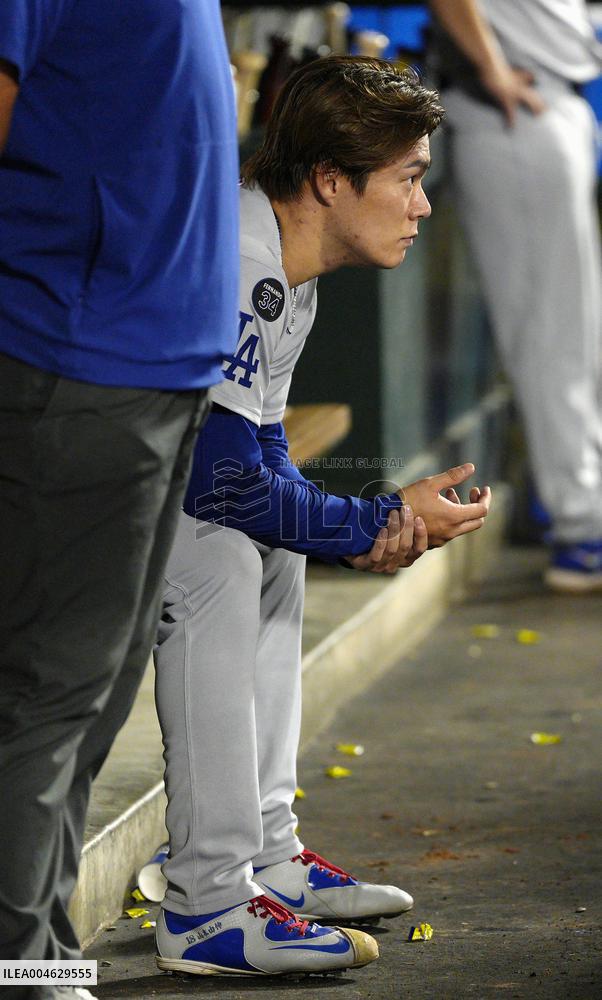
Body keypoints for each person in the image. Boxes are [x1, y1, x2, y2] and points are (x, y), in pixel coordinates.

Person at [153, 55, 492, 980]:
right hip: (45, 480)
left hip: (107, 474)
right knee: (217, 553)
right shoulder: (242, 257)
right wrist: (372, 519)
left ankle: (262, 852)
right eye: (409, 179)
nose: (424, 206)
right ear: (332, 181)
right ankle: (206, 902)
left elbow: (257, 454)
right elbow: (219, 487)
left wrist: (359, 531)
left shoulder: (286, 264)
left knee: (269, 547)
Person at [0, 2, 239, 997]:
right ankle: (18, 968)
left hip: (157, 361)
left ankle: (39, 956)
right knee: (47, 693)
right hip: (78, 354)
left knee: (93, 690)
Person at [429, 0, 602, 592]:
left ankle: (584, 511)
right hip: (512, 108)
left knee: (577, 331)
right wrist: (493, 65)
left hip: (554, 101)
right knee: (551, 336)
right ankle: (583, 532)